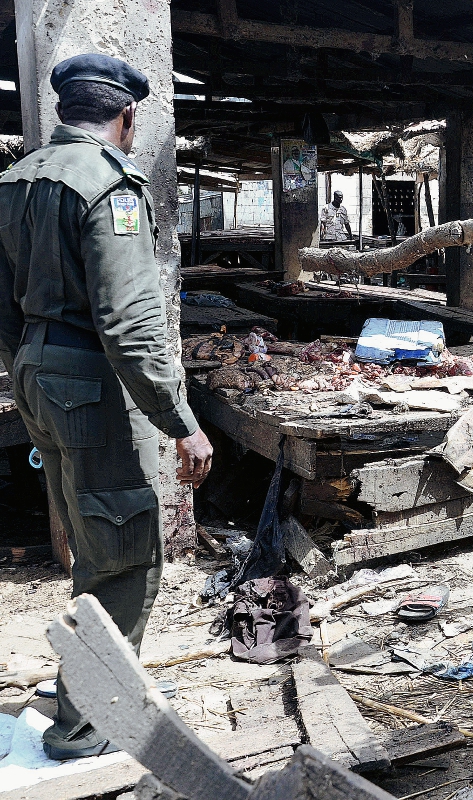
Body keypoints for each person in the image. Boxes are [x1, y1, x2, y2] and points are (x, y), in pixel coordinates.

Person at [0, 54, 213, 759]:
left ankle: (86, 684)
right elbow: (128, 324)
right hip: (84, 378)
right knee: (123, 545)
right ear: (125, 117)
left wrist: (29, 365)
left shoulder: (16, 180)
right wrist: (180, 422)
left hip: (35, 368)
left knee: (90, 533)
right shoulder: (111, 185)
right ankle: (87, 724)